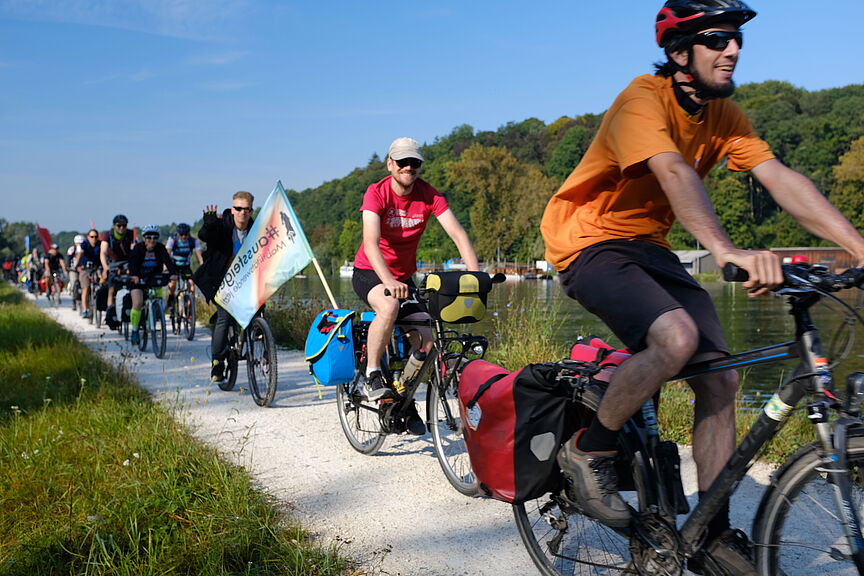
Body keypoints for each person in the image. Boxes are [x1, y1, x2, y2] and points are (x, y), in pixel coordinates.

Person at [540, 1, 864, 573]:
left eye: (737, 39)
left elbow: (781, 179)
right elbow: (672, 171)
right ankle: (588, 449)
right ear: (679, 52)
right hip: (589, 242)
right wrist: (726, 251)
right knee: (676, 337)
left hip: (650, 246)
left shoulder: (724, 115)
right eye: (718, 39)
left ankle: (710, 530)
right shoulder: (642, 100)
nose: (733, 49)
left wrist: (859, 247)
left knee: (723, 379)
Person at [352, 137, 479, 435]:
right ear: (390, 164)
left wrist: (476, 277)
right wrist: (389, 281)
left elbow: (458, 235)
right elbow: (371, 245)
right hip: (371, 271)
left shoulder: (429, 195)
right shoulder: (377, 193)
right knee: (389, 305)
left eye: (415, 163)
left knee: (427, 338)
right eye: (402, 162)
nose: (409, 167)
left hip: (403, 278)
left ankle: (403, 399)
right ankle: (372, 372)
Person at [193, 191, 255, 384]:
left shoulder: (256, 228)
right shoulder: (223, 225)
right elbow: (206, 235)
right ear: (232, 208)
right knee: (224, 316)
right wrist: (209, 225)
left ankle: (263, 350)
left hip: (245, 280)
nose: (242, 213)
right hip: (220, 279)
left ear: (251, 210)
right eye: (238, 208)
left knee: (259, 311)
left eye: (246, 209)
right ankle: (218, 361)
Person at [127, 225, 177, 346]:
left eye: (155, 237)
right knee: (138, 303)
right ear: (144, 238)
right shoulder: (138, 248)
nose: (152, 240)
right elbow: (132, 263)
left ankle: (155, 318)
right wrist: (134, 275)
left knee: (158, 301)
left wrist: (173, 273)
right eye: (148, 237)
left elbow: (168, 262)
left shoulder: (160, 248)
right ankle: (134, 330)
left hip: (154, 279)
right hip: (138, 280)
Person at [100, 214, 136, 329]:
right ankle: (110, 313)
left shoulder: (130, 234)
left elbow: (135, 248)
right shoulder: (108, 235)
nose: (121, 228)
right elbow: (103, 252)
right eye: (119, 225)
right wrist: (105, 267)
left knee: (133, 284)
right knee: (111, 288)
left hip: (127, 261)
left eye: (124, 226)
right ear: (114, 226)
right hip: (113, 263)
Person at [165, 222, 203, 306]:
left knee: (191, 284)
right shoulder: (172, 240)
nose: (184, 236)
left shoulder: (193, 241)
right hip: (174, 265)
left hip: (186, 266)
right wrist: (165, 268)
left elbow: (199, 255)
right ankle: (171, 297)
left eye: (186, 234)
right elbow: (166, 254)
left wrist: (202, 265)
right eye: (181, 234)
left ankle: (190, 307)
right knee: (172, 284)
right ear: (178, 234)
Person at [72, 229, 102, 318]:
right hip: (85, 268)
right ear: (88, 237)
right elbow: (80, 253)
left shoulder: (100, 244)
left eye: (96, 237)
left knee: (101, 284)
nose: (94, 239)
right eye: (92, 237)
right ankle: (85, 309)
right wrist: (76, 264)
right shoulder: (85, 244)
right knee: (86, 288)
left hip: (97, 268)